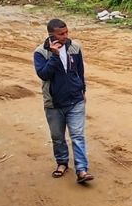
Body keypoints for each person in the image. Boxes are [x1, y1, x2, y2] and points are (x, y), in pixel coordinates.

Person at [33, 18, 93, 184]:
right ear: (51, 35)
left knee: (77, 136)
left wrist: (83, 91)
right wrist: (54, 56)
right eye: (61, 34)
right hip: (53, 103)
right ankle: (62, 162)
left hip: (75, 100)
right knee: (58, 137)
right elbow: (43, 74)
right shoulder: (40, 52)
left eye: (66, 32)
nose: (65, 36)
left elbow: (80, 71)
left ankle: (82, 169)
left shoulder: (75, 47)